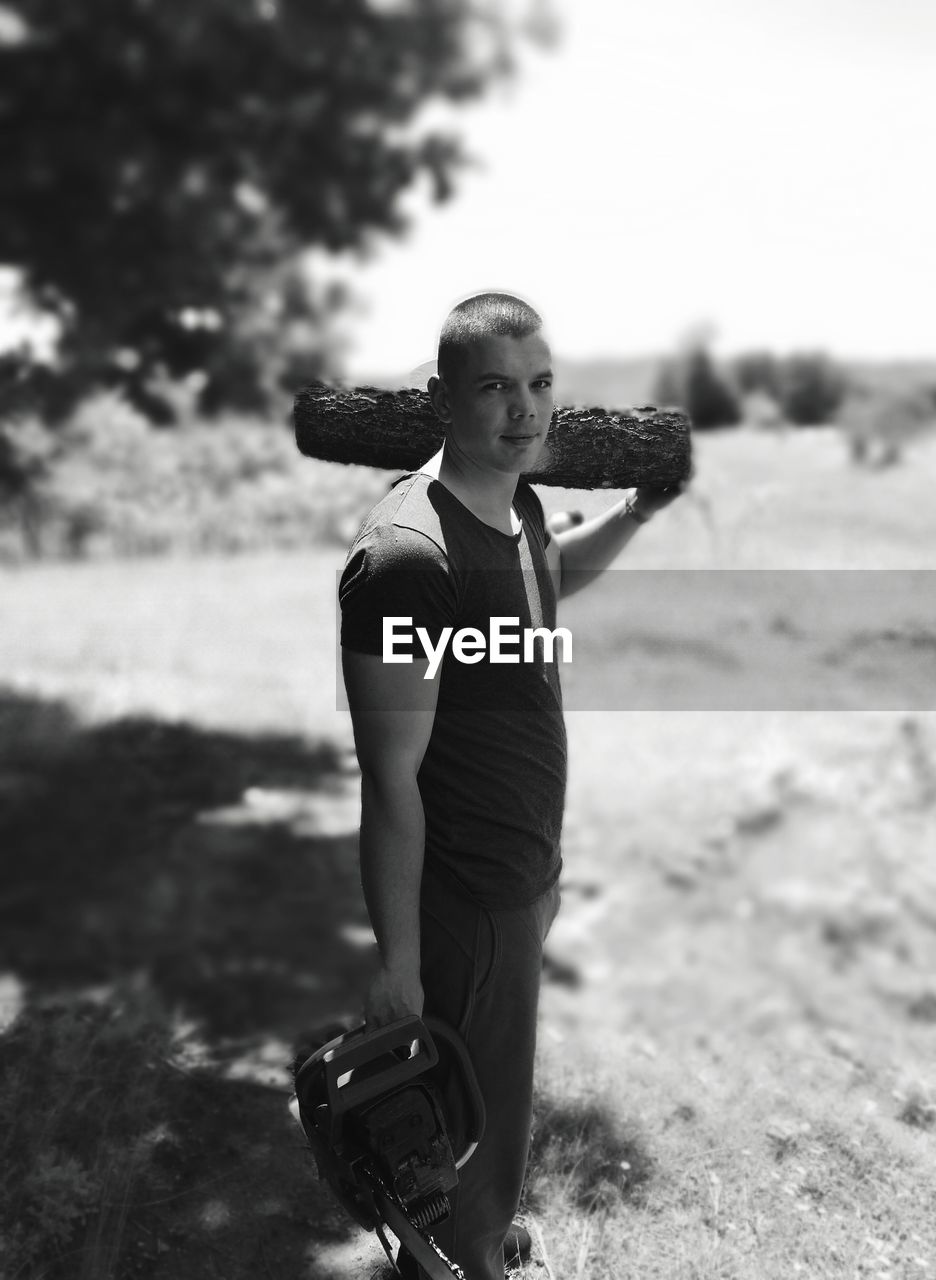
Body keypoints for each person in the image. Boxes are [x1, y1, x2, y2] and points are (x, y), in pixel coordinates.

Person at [338, 293, 684, 1279]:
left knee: (491, 1099)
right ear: (441, 397)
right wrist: (399, 958)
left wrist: (634, 512)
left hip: (521, 872)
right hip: (466, 895)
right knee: (465, 1123)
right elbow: (390, 777)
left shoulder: (517, 500)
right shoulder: (411, 558)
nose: (525, 410)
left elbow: (542, 575)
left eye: (539, 385)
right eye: (495, 387)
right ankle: (465, 1258)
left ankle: (477, 1231)